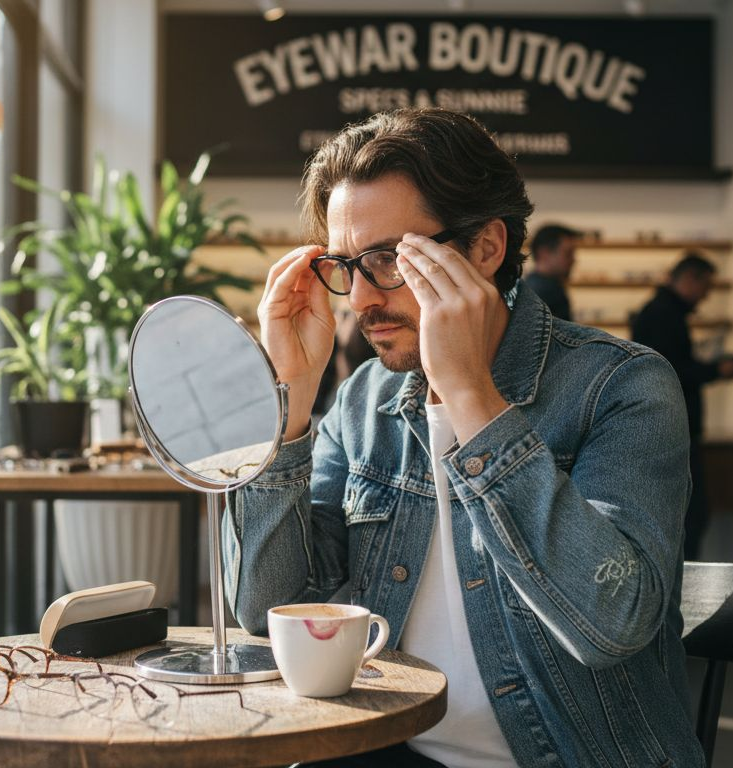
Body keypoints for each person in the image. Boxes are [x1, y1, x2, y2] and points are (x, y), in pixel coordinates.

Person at [225, 109, 702, 767]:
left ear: (486, 247)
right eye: (345, 265)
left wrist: (472, 397)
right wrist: (291, 405)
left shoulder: (621, 387)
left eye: (388, 259)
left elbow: (611, 624)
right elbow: (265, 613)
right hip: (385, 746)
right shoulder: (366, 400)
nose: (360, 298)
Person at [631, 253, 733, 560]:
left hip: (666, 429)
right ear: (689, 279)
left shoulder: (663, 312)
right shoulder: (663, 315)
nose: (707, 295)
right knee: (689, 519)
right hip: (671, 431)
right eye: (705, 286)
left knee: (686, 519)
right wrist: (715, 371)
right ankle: (681, 599)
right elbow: (669, 371)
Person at [521, 223, 579, 321]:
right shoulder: (547, 291)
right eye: (568, 253)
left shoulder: (530, 287)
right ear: (544, 253)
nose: (573, 259)